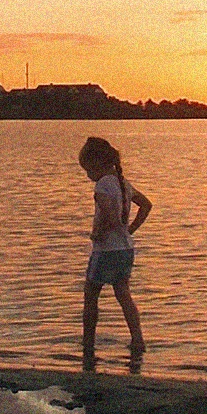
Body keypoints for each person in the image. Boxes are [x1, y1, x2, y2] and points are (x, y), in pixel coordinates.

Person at [75, 134, 150, 370]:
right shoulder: (123, 184)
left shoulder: (104, 185)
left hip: (106, 250)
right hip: (125, 248)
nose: (88, 175)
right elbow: (146, 205)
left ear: (97, 163)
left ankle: (88, 342)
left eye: (88, 170)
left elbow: (108, 211)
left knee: (91, 295)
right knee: (123, 294)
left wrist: (98, 232)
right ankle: (137, 339)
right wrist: (131, 229)